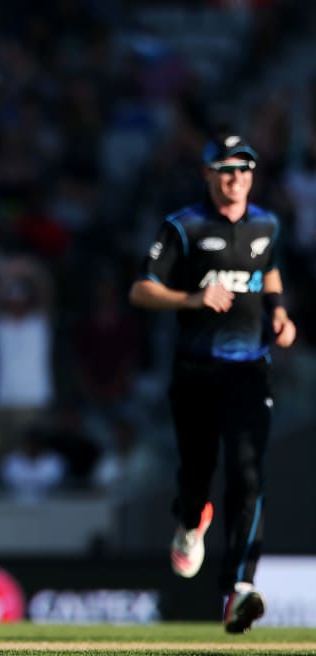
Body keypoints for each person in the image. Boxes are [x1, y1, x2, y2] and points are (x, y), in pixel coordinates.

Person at [129, 132, 296, 634]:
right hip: (196, 370)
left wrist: (281, 314)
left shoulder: (266, 223)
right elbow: (141, 289)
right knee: (198, 473)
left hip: (249, 369)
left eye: (244, 169)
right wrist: (192, 300)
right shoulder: (184, 227)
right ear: (207, 174)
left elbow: (268, 271)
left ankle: (240, 587)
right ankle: (190, 520)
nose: (235, 178)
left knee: (247, 472)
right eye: (225, 169)